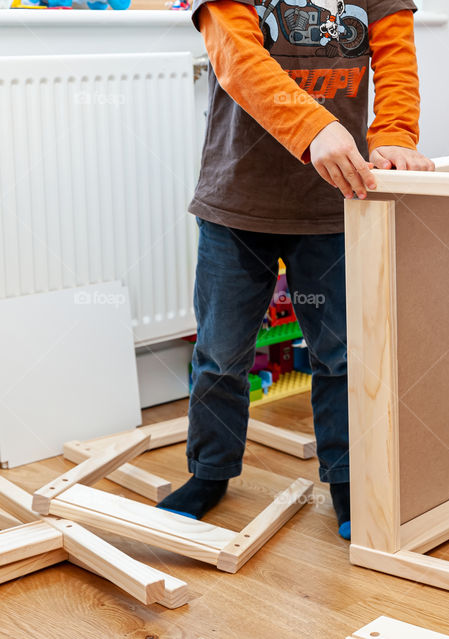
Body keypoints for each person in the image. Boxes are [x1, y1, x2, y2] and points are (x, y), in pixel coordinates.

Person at [156, 0, 433, 541]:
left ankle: (348, 480)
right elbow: (236, 57)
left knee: (343, 356)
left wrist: (397, 132)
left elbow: (397, 60)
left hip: (335, 204)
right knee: (220, 354)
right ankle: (208, 473)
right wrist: (314, 129)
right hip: (236, 202)